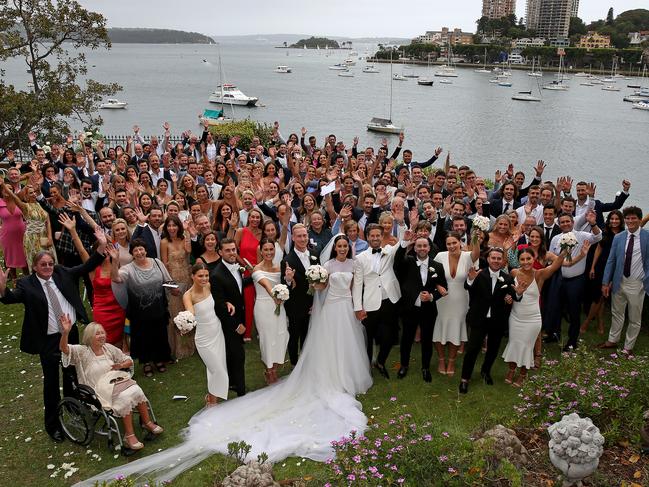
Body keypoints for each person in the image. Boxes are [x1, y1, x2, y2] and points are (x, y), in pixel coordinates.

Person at [0, 246, 105, 443]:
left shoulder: (62, 272)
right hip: (48, 340)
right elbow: (10, 299)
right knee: (51, 382)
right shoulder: (26, 284)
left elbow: (87, 266)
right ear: (34, 267)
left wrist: (100, 248)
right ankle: (53, 426)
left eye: (50, 263)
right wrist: (2, 288)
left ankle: (74, 409)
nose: (48, 267)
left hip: (70, 334)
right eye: (43, 265)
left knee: (72, 374)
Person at [59, 318, 163, 450]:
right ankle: (129, 436)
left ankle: (147, 422)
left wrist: (121, 365)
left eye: (103, 332)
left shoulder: (108, 348)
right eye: (98, 333)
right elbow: (64, 349)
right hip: (97, 388)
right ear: (90, 336)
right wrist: (65, 332)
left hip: (115, 381)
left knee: (136, 390)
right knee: (125, 398)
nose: (102, 336)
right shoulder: (82, 352)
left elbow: (128, 360)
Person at [59, 215, 127, 349]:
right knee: (104, 339)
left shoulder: (118, 264)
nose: (107, 251)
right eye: (104, 248)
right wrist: (73, 230)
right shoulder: (92, 267)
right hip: (102, 309)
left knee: (120, 337)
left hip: (118, 307)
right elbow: (81, 250)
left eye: (110, 247)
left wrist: (115, 259)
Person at [502, 247, 566, 386]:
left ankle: (523, 374)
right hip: (515, 317)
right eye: (522, 259)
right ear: (518, 261)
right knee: (514, 343)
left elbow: (556, 265)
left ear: (533, 259)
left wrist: (566, 249)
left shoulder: (540, 274)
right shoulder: (513, 272)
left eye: (528, 259)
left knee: (526, 346)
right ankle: (511, 370)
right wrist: (509, 297)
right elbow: (510, 292)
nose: (526, 262)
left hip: (532, 319)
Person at [108, 238, 172, 377]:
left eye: (141, 249)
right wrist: (114, 260)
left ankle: (159, 360)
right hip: (139, 312)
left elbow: (167, 279)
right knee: (143, 337)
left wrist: (174, 288)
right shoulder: (128, 269)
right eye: (135, 250)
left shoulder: (157, 262)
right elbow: (116, 278)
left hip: (158, 308)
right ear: (132, 253)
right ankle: (146, 363)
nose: (139, 252)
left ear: (145, 250)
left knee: (159, 334)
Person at [459, 247, 518, 394]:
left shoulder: (508, 278)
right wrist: (471, 279)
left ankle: (486, 372)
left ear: (503, 261)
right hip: (479, 318)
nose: (496, 261)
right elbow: (467, 286)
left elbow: (514, 296)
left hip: (497, 320)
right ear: (488, 259)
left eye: (499, 258)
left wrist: (515, 296)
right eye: (493, 258)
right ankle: (465, 378)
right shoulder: (479, 274)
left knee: (493, 349)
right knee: (473, 349)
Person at [352, 220, 406, 379]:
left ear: (382, 236)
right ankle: (367, 367)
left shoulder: (389, 251)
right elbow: (357, 284)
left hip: (390, 300)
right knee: (368, 338)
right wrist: (358, 307)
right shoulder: (360, 258)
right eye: (372, 235)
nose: (375, 238)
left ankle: (381, 362)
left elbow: (403, 243)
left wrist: (402, 224)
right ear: (367, 237)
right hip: (370, 303)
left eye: (378, 235)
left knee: (389, 337)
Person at [394, 233, 447, 382]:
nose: (422, 248)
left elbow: (443, 287)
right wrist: (404, 243)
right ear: (414, 248)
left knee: (427, 339)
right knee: (406, 339)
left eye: (425, 245)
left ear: (429, 248)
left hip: (428, 310)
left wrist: (431, 296)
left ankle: (425, 368)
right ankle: (404, 365)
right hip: (409, 309)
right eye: (419, 246)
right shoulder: (407, 262)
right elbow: (397, 261)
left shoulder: (437, 266)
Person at [546, 211, 602, 350]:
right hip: (559, 278)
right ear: (559, 224)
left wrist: (593, 223)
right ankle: (554, 333)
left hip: (576, 280)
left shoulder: (582, 236)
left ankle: (572, 341)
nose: (565, 224)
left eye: (567, 221)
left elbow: (598, 236)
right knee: (556, 307)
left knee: (574, 311)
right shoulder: (556, 238)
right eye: (562, 222)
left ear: (572, 222)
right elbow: (551, 256)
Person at [599, 206, 649, 353]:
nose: (630, 221)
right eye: (628, 218)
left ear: (640, 220)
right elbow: (611, 260)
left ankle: (628, 347)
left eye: (634, 218)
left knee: (634, 318)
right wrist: (605, 282)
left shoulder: (647, 237)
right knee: (617, 313)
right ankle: (612, 340)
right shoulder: (619, 237)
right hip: (619, 282)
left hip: (637, 283)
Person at [433, 231, 482, 375]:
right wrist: (437, 286)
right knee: (439, 328)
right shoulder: (440, 256)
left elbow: (477, 253)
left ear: (460, 242)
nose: (452, 246)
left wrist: (475, 238)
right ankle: (441, 359)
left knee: (456, 328)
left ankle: (452, 361)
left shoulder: (468, 256)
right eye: (449, 243)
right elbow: (432, 275)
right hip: (442, 299)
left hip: (461, 299)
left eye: (454, 242)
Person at [183, 262, 229, 407]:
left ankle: (212, 400)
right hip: (204, 338)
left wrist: (227, 303)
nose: (204, 279)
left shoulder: (209, 286)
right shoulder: (188, 295)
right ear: (192, 276)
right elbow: (190, 313)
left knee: (217, 368)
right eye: (200, 276)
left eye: (206, 275)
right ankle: (211, 399)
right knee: (218, 370)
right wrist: (186, 322)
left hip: (217, 332)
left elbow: (219, 300)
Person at [210, 238, 249, 397]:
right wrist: (235, 325)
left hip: (239, 316)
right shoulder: (216, 275)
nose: (232, 253)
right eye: (228, 250)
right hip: (229, 323)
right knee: (237, 355)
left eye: (234, 249)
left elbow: (237, 287)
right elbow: (220, 306)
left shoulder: (237, 268)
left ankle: (234, 383)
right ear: (220, 252)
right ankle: (240, 390)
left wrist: (253, 277)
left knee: (235, 354)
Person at [252, 238, 289, 384]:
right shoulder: (256, 269)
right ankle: (269, 371)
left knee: (281, 335)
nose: (269, 252)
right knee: (267, 339)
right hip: (264, 307)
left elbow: (286, 284)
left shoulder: (280, 267)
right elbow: (267, 285)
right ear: (261, 251)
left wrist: (289, 281)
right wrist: (275, 296)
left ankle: (275, 366)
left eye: (271, 249)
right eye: (265, 250)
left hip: (279, 306)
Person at [281, 223, 319, 365]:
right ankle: (294, 363)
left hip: (313, 303)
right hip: (295, 306)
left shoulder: (314, 254)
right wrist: (289, 280)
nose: (303, 239)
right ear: (293, 238)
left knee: (308, 334)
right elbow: (284, 287)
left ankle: (307, 361)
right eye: (299, 236)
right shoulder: (287, 260)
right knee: (294, 335)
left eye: (305, 236)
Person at [581, 210, 623, 335]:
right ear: (609, 220)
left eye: (617, 219)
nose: (614, 221)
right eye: (612, 219)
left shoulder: (623, 234)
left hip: (615, 268)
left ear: (621, 221)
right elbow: (598, 249)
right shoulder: (604, 233)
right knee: (599, 296)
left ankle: (588, 322)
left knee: (602, 297)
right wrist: (593, 267)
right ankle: (596, 322)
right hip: (600, 266)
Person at [160, 215, 194, 360]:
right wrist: (170, 286)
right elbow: (163, 265)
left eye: (174, 225)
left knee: (188, 311)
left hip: (187, 279)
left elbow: (188, 251)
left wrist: (186, 232)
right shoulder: (164, 242)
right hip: (173, 281)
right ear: (166, 228)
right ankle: (177, 349)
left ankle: (190, 346)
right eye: (169, 226)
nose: (172, 228)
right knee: (175, 314)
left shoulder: (183, 238)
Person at [234, 207, 262, 341]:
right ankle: (247, 333)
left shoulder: (263, 233)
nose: (255, 219)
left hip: (260, 270)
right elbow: (233, 252)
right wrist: (246, 266)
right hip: (245, 271)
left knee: (261, 301)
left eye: (258, 217)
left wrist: (258, 267)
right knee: (249, 302)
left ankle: (261, 330)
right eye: (253, 217)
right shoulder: (241, 231)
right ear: (248, 218)